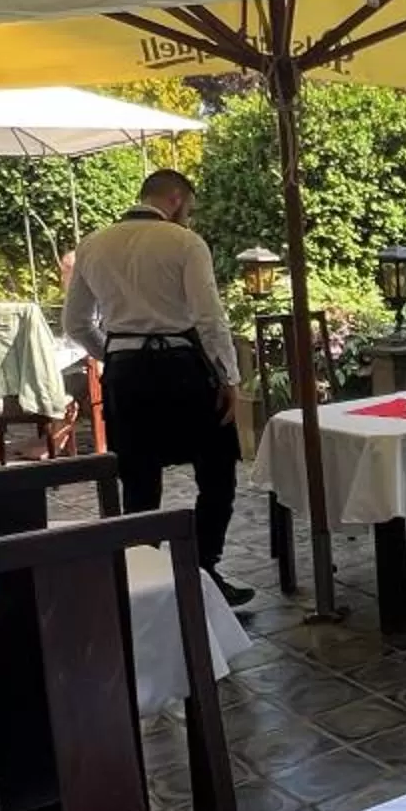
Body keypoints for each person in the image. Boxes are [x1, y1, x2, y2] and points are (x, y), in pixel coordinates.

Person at [64, 170, 252, 607]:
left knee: (139, 477)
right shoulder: (185, 242)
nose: (189, 215)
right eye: (189, 206)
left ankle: (145, 582)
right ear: (175, 198)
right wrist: (229, 377)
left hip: (127, 375)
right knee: (217, 471)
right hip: (183, 367)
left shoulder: (93, 244)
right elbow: (209, 318)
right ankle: (203, 570)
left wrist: (116, 353)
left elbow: (75, 324)